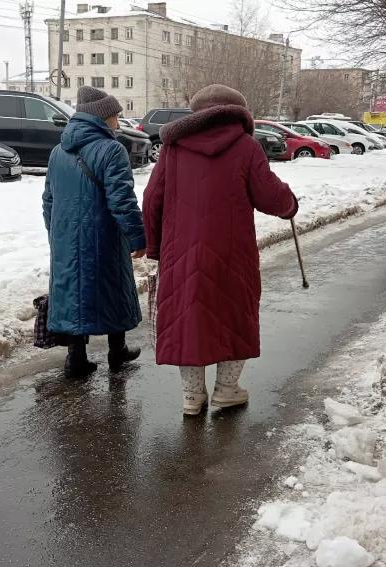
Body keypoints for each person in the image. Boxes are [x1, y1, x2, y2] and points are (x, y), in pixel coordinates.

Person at [142, 84, 298, 415]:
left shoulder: (173, 148)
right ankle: (227, 390)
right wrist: (289, 205)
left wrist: (155, 246)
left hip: (180, 252)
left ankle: (191, 396)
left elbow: (152, 198)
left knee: (188, 319)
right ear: (237, 112)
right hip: (233, 252)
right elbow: (270, 194)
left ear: (196, 113)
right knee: (233, 315)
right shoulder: (246, 146)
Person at [42, 86, 147, 378]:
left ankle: (76, 358)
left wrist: (55, 233)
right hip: (103, 235)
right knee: (112, 287)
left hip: (65, 237)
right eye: (116, 115)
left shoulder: (57, 151)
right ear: (102, 118)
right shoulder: (112, 149)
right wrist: (137, 237)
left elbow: (48, 198)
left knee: (72, 292)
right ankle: (118, 351)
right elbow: (122, 200)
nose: (118, 120)